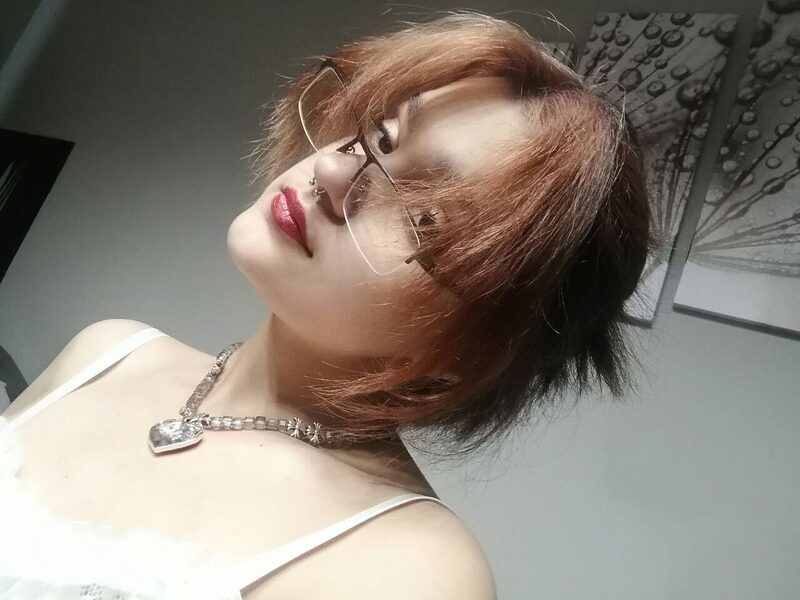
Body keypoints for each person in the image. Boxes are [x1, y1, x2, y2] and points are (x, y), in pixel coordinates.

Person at [0, 12, 651, 600]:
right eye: (383, 136)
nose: (333, 172)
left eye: (424, 217)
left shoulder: (413, 572)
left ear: (475, 349)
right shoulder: (107, 351)